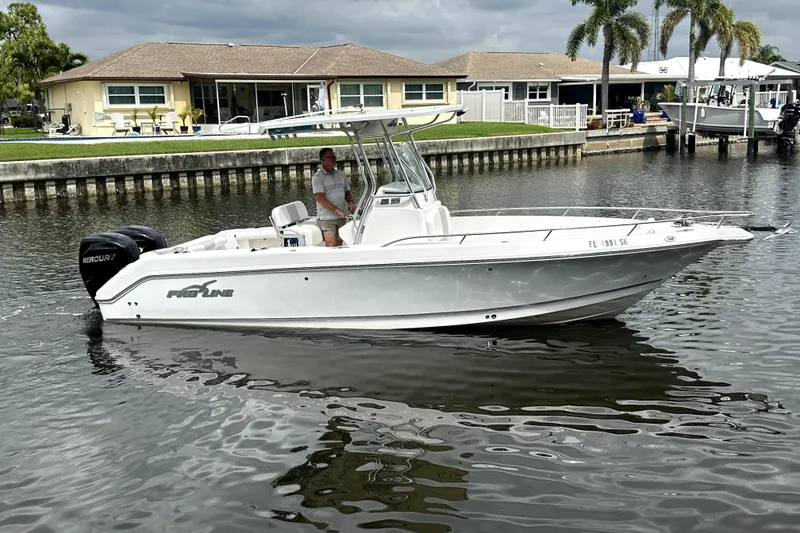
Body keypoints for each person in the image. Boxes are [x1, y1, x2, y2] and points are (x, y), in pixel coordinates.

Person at [311, 147, 356, 246]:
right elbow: (320, 198)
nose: (334, 159)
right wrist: (336, 210)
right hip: (326, 218)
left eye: (334, 157)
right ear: (323, 160)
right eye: (331, 157)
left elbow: (347, 192)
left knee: (340, 244)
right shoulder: (317, 178)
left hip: (341, 216)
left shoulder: (341, 175)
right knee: (331, 243)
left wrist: (351, 202)